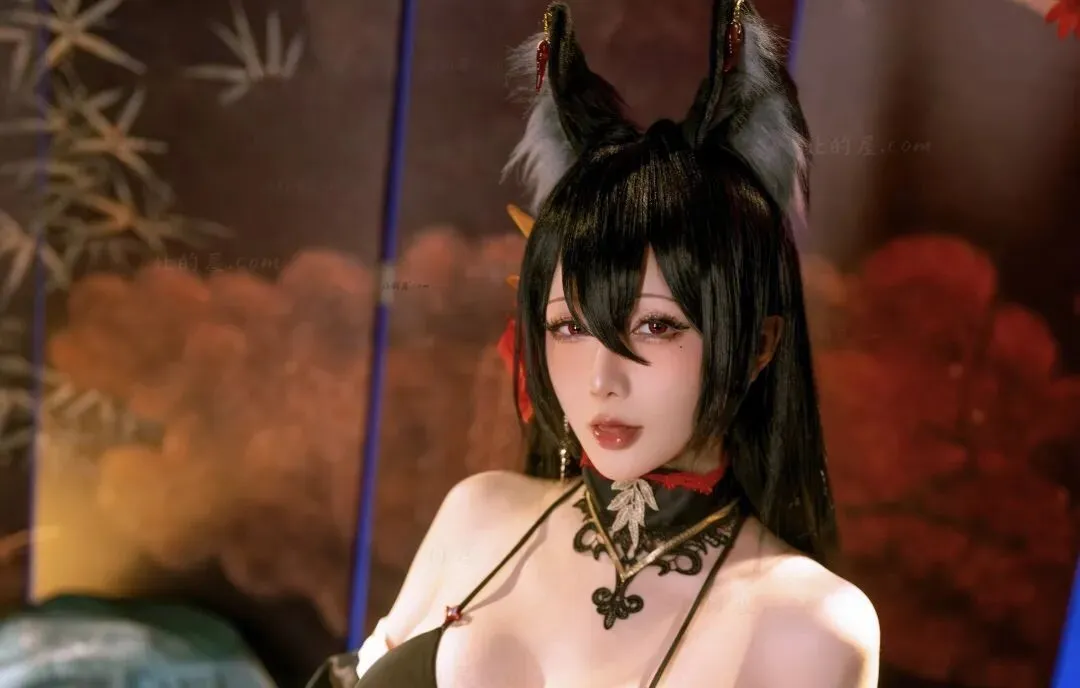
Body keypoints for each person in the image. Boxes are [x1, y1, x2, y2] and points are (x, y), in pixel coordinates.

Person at [308, 0, 880, 686]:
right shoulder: (477, 516)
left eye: (657, 326)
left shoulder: (809, 626)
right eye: (569, 328)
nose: (601, 380)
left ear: (759, 345)